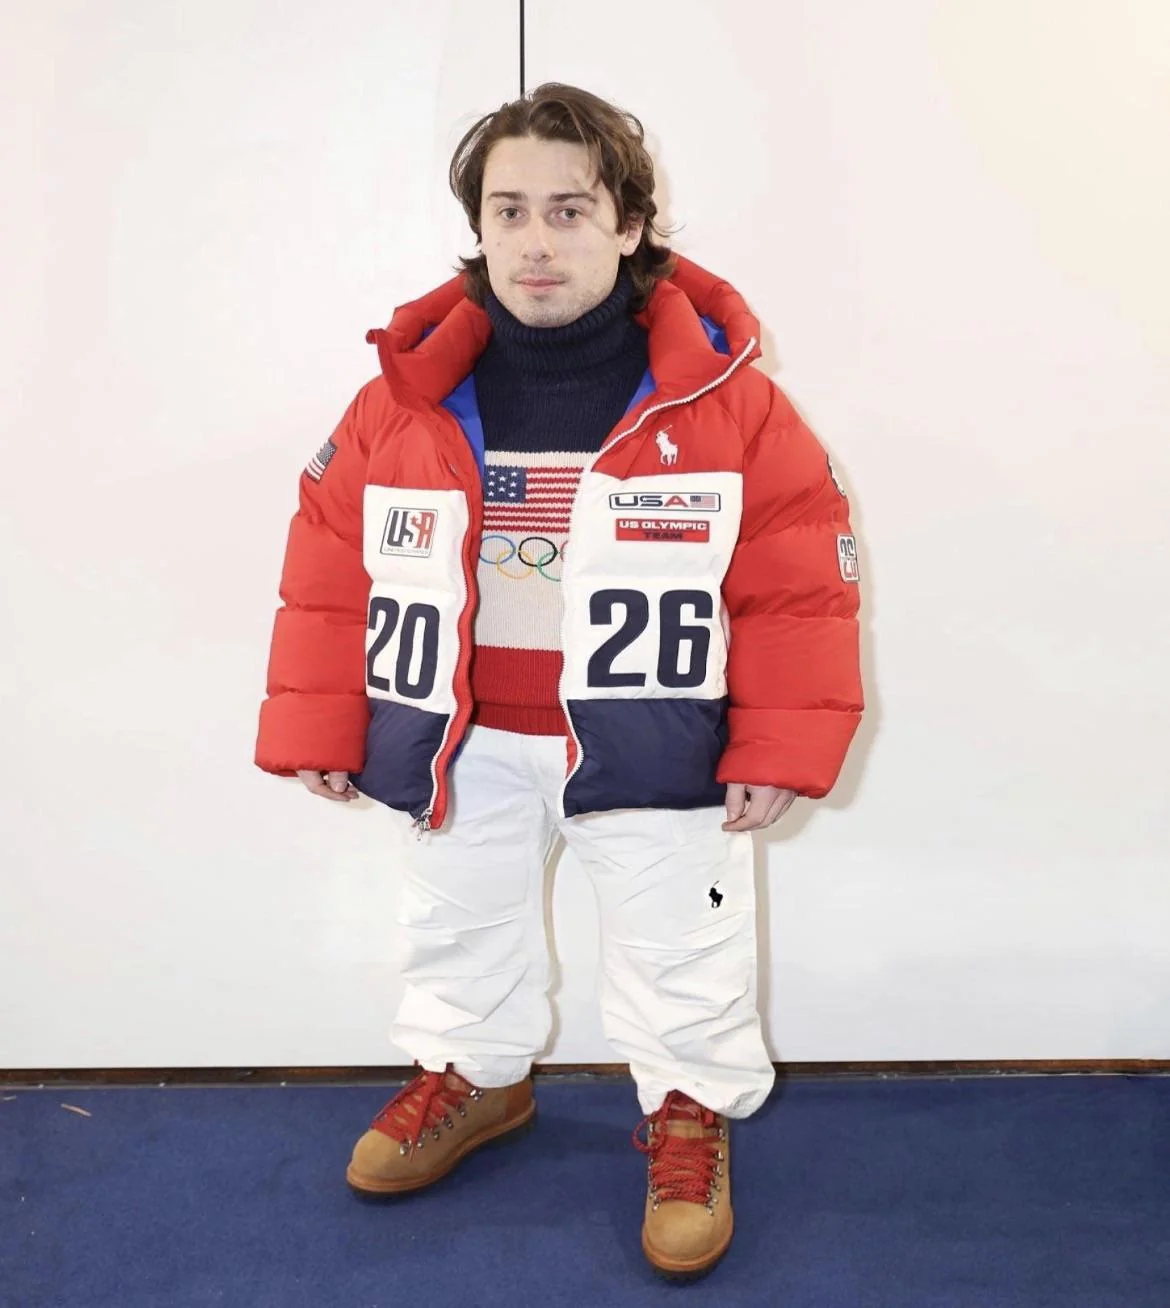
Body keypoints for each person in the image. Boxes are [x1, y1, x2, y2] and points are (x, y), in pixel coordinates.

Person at [255, 82, 863, 1280]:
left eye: (570, 210)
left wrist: (775, 748)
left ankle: (688, 1110)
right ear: (479, 227)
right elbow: (327, 566)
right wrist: (325, 722)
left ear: (629, 225)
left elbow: (797, 585)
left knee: (681, 948)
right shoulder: (403, 399)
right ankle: (474, 1075)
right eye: (510, 210)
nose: (536, 240)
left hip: (654, 738)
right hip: (459, 736)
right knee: (456, 924)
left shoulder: (725, 401)